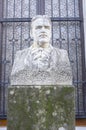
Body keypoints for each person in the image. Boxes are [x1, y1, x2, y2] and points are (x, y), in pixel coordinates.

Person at [11, 15, 72, 85]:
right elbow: (17, 77)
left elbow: (65, 76)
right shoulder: (20, 55)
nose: (43, 30)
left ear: (51, 32)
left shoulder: (62, 55)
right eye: (38, 27)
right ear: (31, 33)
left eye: (47, 28)